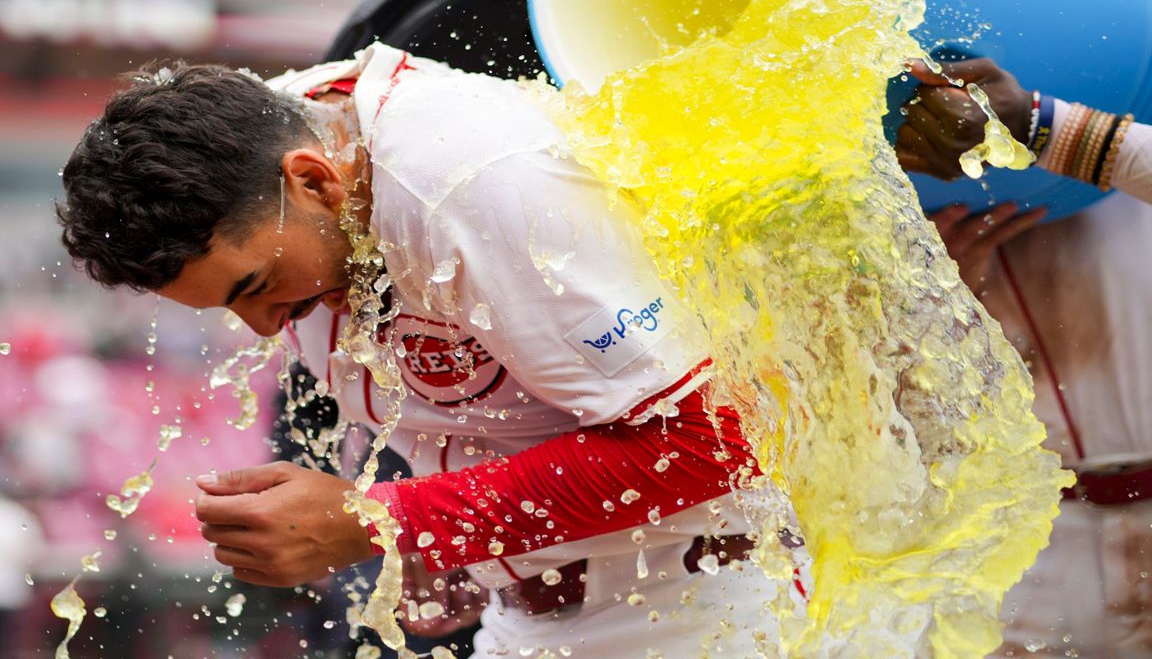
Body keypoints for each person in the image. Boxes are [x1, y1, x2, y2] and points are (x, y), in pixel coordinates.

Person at [56, 44, 786, 658]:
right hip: (534, 619)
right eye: (227, 306)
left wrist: (387, 519)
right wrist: (456, 549)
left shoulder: (474, 180)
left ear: (314, 180)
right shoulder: (260, 144)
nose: (263, 328)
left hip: (719, 607)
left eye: (260, 285)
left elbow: (720, 436)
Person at [897, 57, 1152, 658]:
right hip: (1021, 547)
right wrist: (931, 305)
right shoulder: (884, 212)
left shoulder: (1124, 75)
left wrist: (1045, 125)